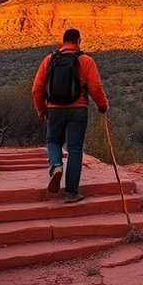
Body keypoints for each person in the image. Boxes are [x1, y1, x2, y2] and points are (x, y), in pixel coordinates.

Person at [31, 28, 108, 203]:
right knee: (75, 149)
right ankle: (72, 193)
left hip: (54, 109)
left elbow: (36, 89)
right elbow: (95, 88)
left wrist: (41, 110)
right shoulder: (86, 60)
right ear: (78, 41)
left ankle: (56, 165)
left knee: (53, 141)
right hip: (78, 109)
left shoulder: (49, 60)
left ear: (63, 41)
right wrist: (102, 106)